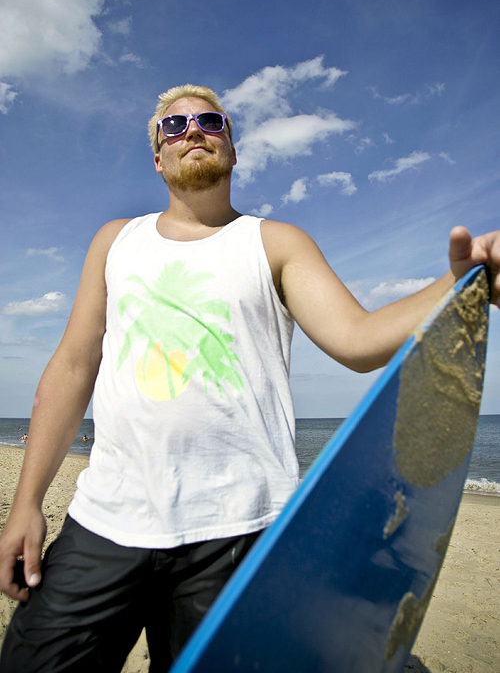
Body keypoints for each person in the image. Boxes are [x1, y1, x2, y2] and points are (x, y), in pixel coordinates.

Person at [0, 84, 498, 673]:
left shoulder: (276, 242)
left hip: (239, 528)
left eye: (210, 121)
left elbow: (358, 341)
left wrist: (463, 284)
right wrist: (25, 501)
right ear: (157, 156)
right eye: (174, 126)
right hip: (107, 517)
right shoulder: (115, 241)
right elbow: (72, 367)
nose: (193, 131)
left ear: (231, 146)